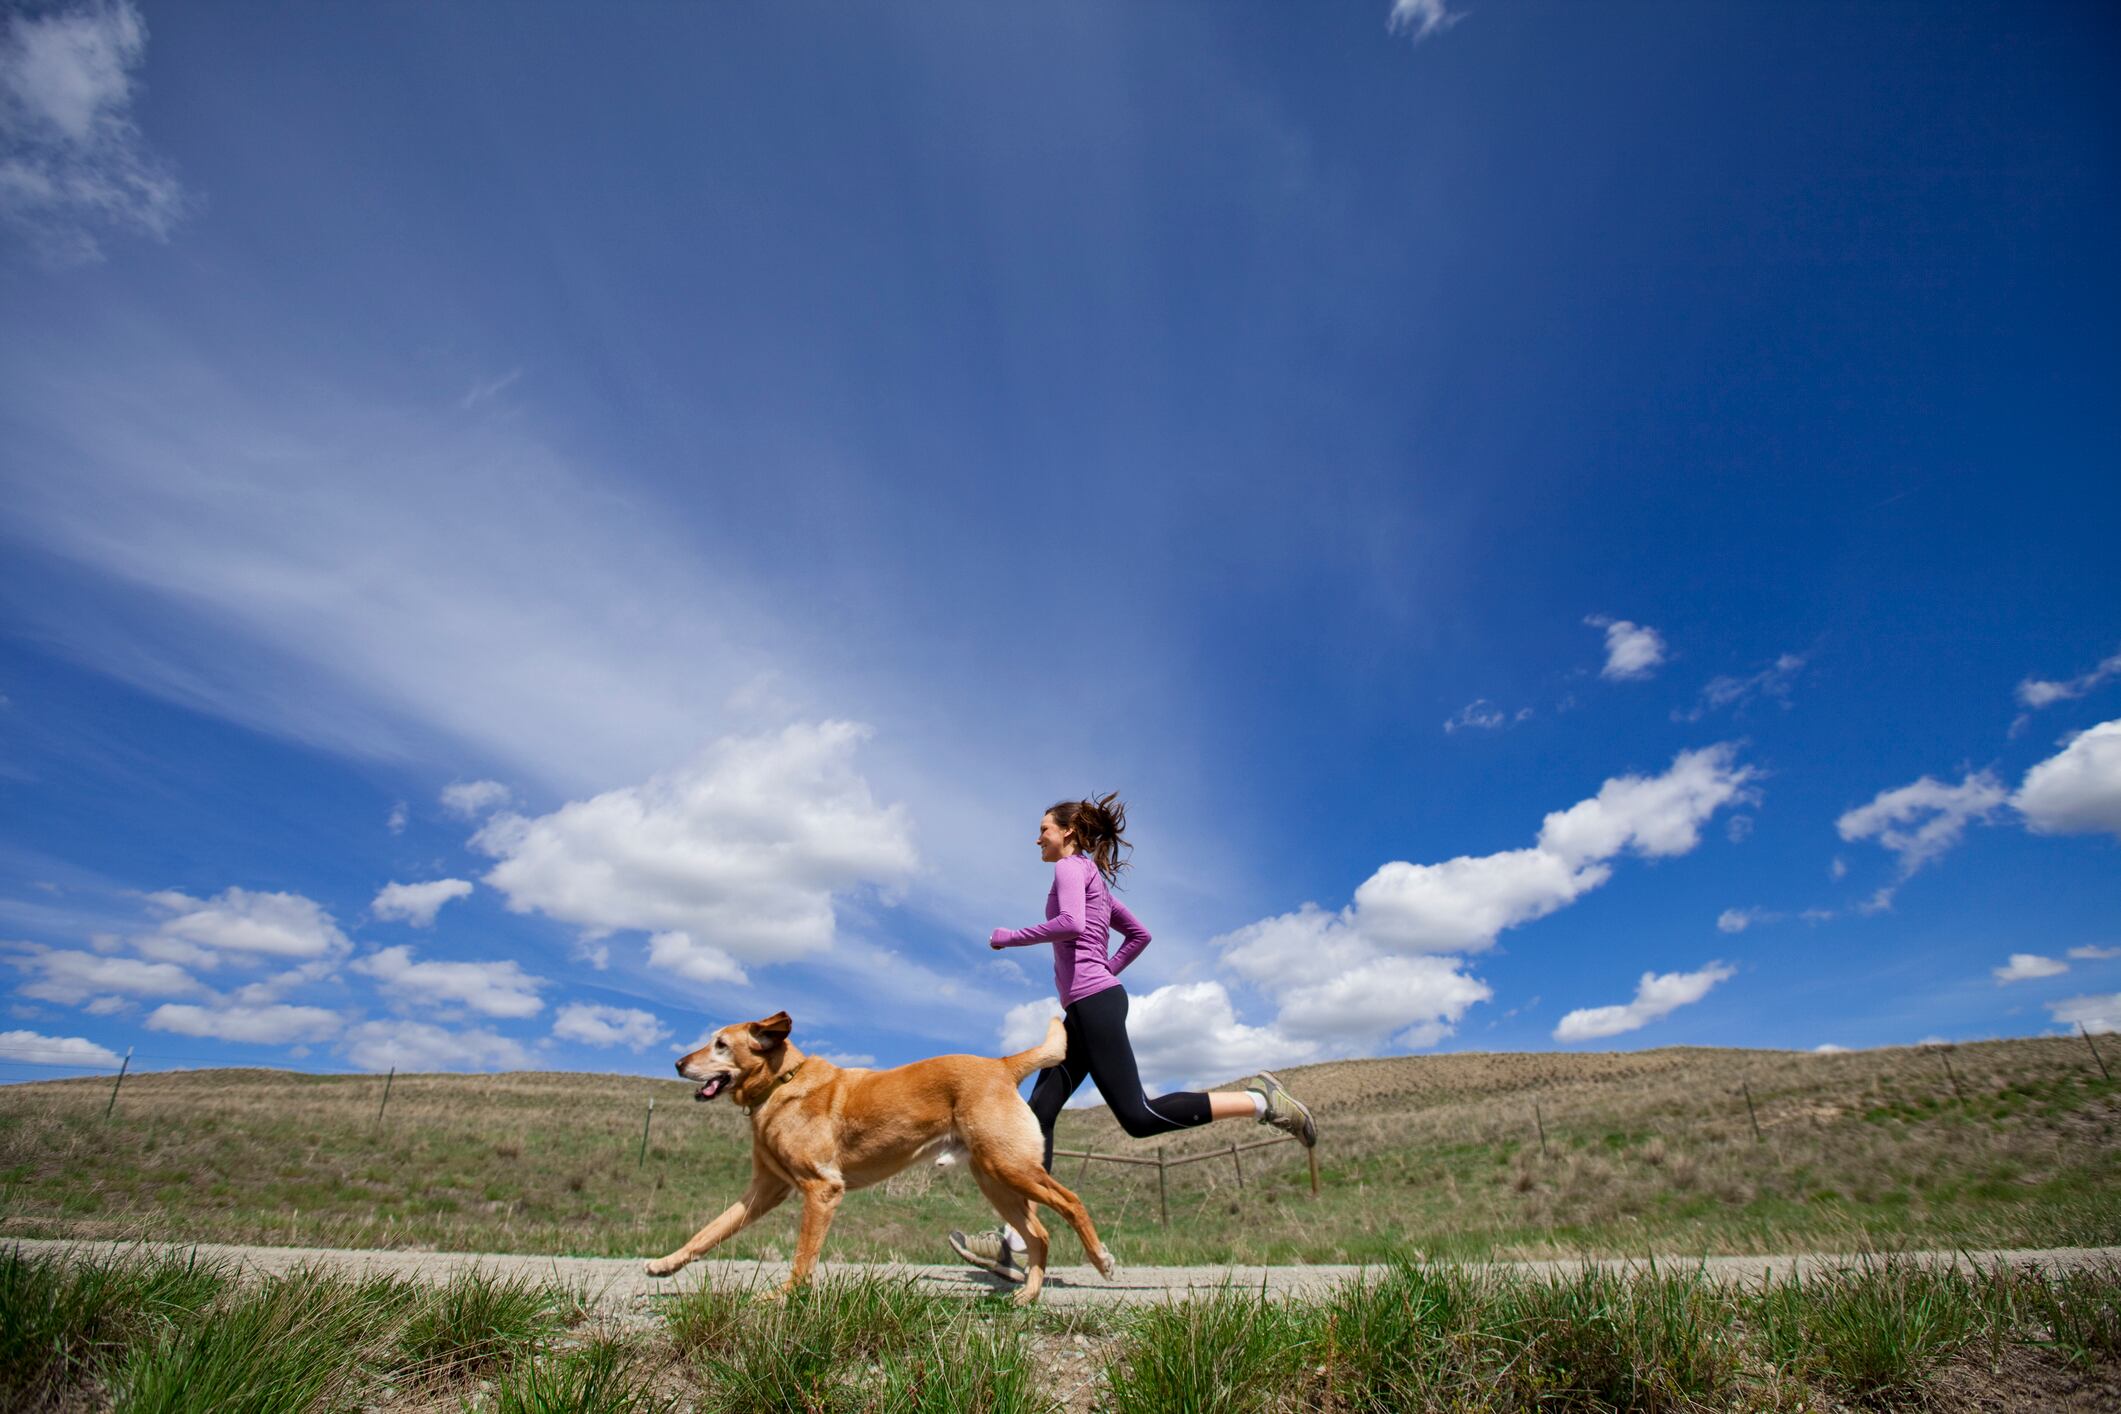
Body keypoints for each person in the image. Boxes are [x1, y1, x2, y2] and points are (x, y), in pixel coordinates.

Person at [946, 793, 1316, 1283]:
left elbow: (1073, 924)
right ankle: (1013, 1241)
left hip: (1093, 1005)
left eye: (1044, 829)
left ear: (1069, 832)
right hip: (1088, 1006)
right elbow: (1138, 935)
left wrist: (1010, 937)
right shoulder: (1093, 879)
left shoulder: (1070, 870)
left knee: (1138, 1116)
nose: (1038, 838)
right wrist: (1103, 974)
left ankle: (1261, 1101)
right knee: (1037, 1115)